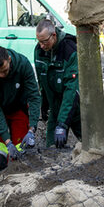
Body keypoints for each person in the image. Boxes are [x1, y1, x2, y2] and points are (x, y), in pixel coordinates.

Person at [0, 45, 41, 176]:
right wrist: (8, 142)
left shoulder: (23, 64)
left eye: (4, 70)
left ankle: (22, 187)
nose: (2, 75)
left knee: (21, 151)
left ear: (9, 59)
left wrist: (32, 129)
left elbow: (34, 97)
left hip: (18, 107)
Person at [34, 19, 81, 148]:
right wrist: (44, 106)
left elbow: (71, 90)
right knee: (52, 149)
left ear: (53, 35)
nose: (42, 45)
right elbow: (42, 83)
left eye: (44, 41)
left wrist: (63, 124)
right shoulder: (39, 51)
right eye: (39, 41)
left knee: (89, 146)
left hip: (76, 108)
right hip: (55, 109)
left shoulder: (70, 50)